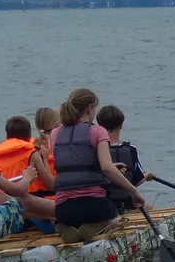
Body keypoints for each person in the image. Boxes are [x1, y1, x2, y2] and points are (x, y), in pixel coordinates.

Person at [50, 87, 145, 242]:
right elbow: (107, 168)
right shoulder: (98, 131)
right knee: (115, 218)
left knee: (67, 217)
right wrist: (134, 191)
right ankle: (100, 226)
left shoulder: (55, 133)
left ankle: (64, 227)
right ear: (90, 108)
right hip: (95, 207)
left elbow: (70, 162)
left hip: (63, 210)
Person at [0, 115, 57, 233]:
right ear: (28, 137)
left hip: (8, 208)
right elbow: (49, 185)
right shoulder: (32, 153)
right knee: (52, 229)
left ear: (7, 137)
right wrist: (45, 159)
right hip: (31, 206)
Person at [95, 104, 149, 213]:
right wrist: (146, 175)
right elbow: (136, 180)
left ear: (99, 127)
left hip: (105, 206)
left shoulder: (96, 150)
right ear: (121, 125)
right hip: (128, 205)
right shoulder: (131, 150)